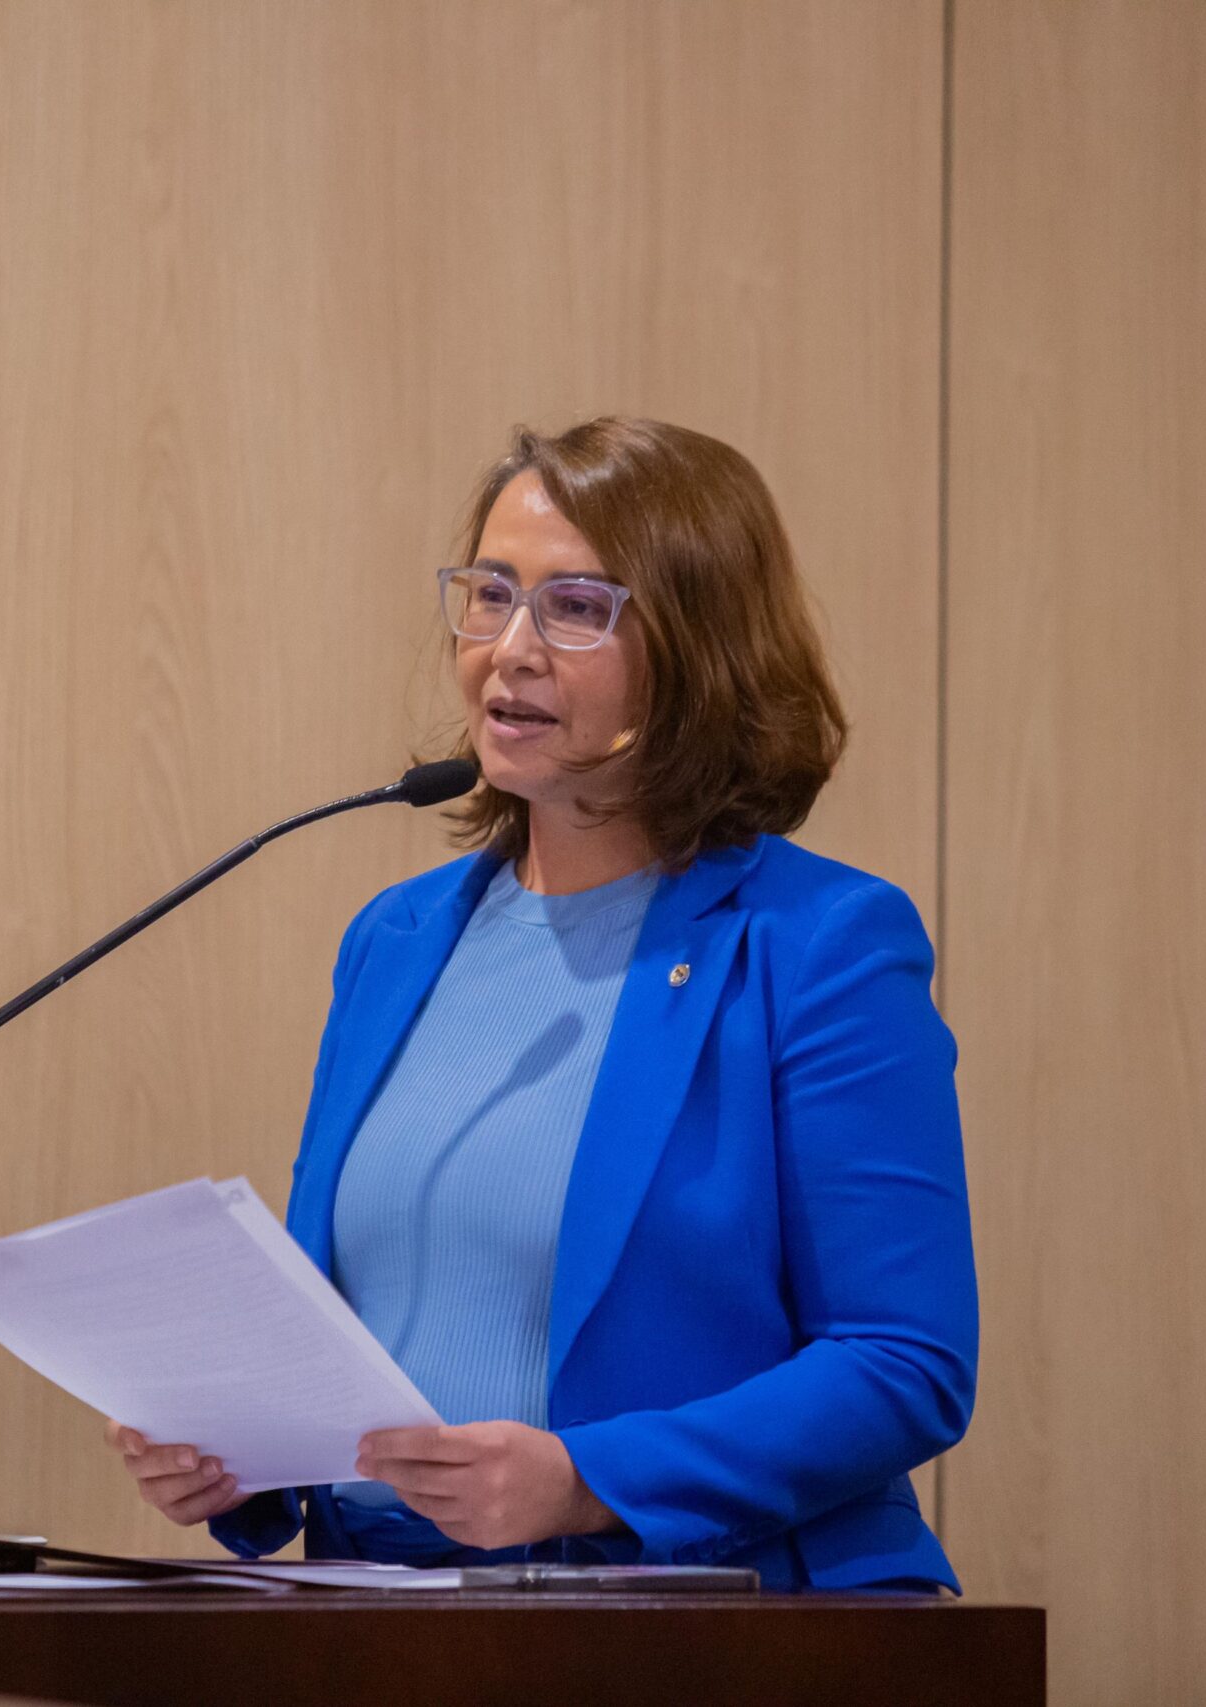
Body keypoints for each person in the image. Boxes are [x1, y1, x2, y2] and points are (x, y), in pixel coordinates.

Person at [102, 417, 978, 1592]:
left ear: (697, 649)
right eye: (490, 595)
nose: (507, 651)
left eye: (574, 608)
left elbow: (904, 1360)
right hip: (380, 1613)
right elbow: (369, 1330)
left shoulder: (816, 946)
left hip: (705, 1623)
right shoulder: (398, 940)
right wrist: (240, 1455)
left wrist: (588, 1478)